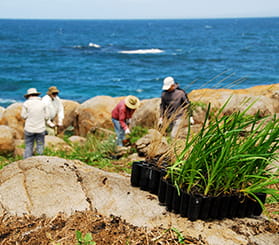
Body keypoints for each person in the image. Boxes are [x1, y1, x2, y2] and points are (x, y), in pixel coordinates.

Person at [21, 88, 49, 159]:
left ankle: (27, 161)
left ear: (29, 96)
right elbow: (47, 116)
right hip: (40, 129)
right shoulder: (43, 103)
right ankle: (40, 161)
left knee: (28, 146)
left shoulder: (26, 103)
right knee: (40, 145)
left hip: (29, 129)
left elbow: (23, 116)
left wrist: (29, 115)